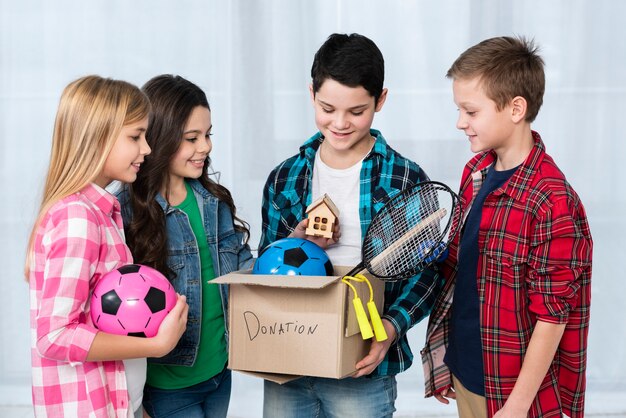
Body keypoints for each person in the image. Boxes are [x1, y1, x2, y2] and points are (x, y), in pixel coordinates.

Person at [260, 33, 440, 418]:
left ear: (381, 100)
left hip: (362, 367)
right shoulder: (284, 178)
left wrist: (391, 329)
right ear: (311, 94)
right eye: (327, 108)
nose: (339, 123)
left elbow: (428, 272)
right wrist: (295, 241)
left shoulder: (405, 179)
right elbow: (264, 269)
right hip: (289, 362)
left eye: (356, 112)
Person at [421, 36, 593, 418]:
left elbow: (552, 316)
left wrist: (516, 406)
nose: (460, 123)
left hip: (511, 394)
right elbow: (465, 276)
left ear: (516, 108)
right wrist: (447, 361)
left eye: (470, 111)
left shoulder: (552, 201)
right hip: (468, 373)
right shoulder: (476, 172)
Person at [25, 75, 189, 418]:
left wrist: (133, 406)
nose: (146, 148)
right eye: (135, 136)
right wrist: (156, 346)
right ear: (96, 137)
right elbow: (54, 335)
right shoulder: (78, 217)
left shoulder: (103, 212)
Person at [116, 74, 254, 418]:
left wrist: (294, 242)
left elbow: (243, 271)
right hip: (168, 387)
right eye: (192, 138)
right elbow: (116, 313)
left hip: (220, 373)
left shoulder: (214, 202)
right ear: (158, 140)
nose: (205, 147)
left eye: (207, 135)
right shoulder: (127, 213)